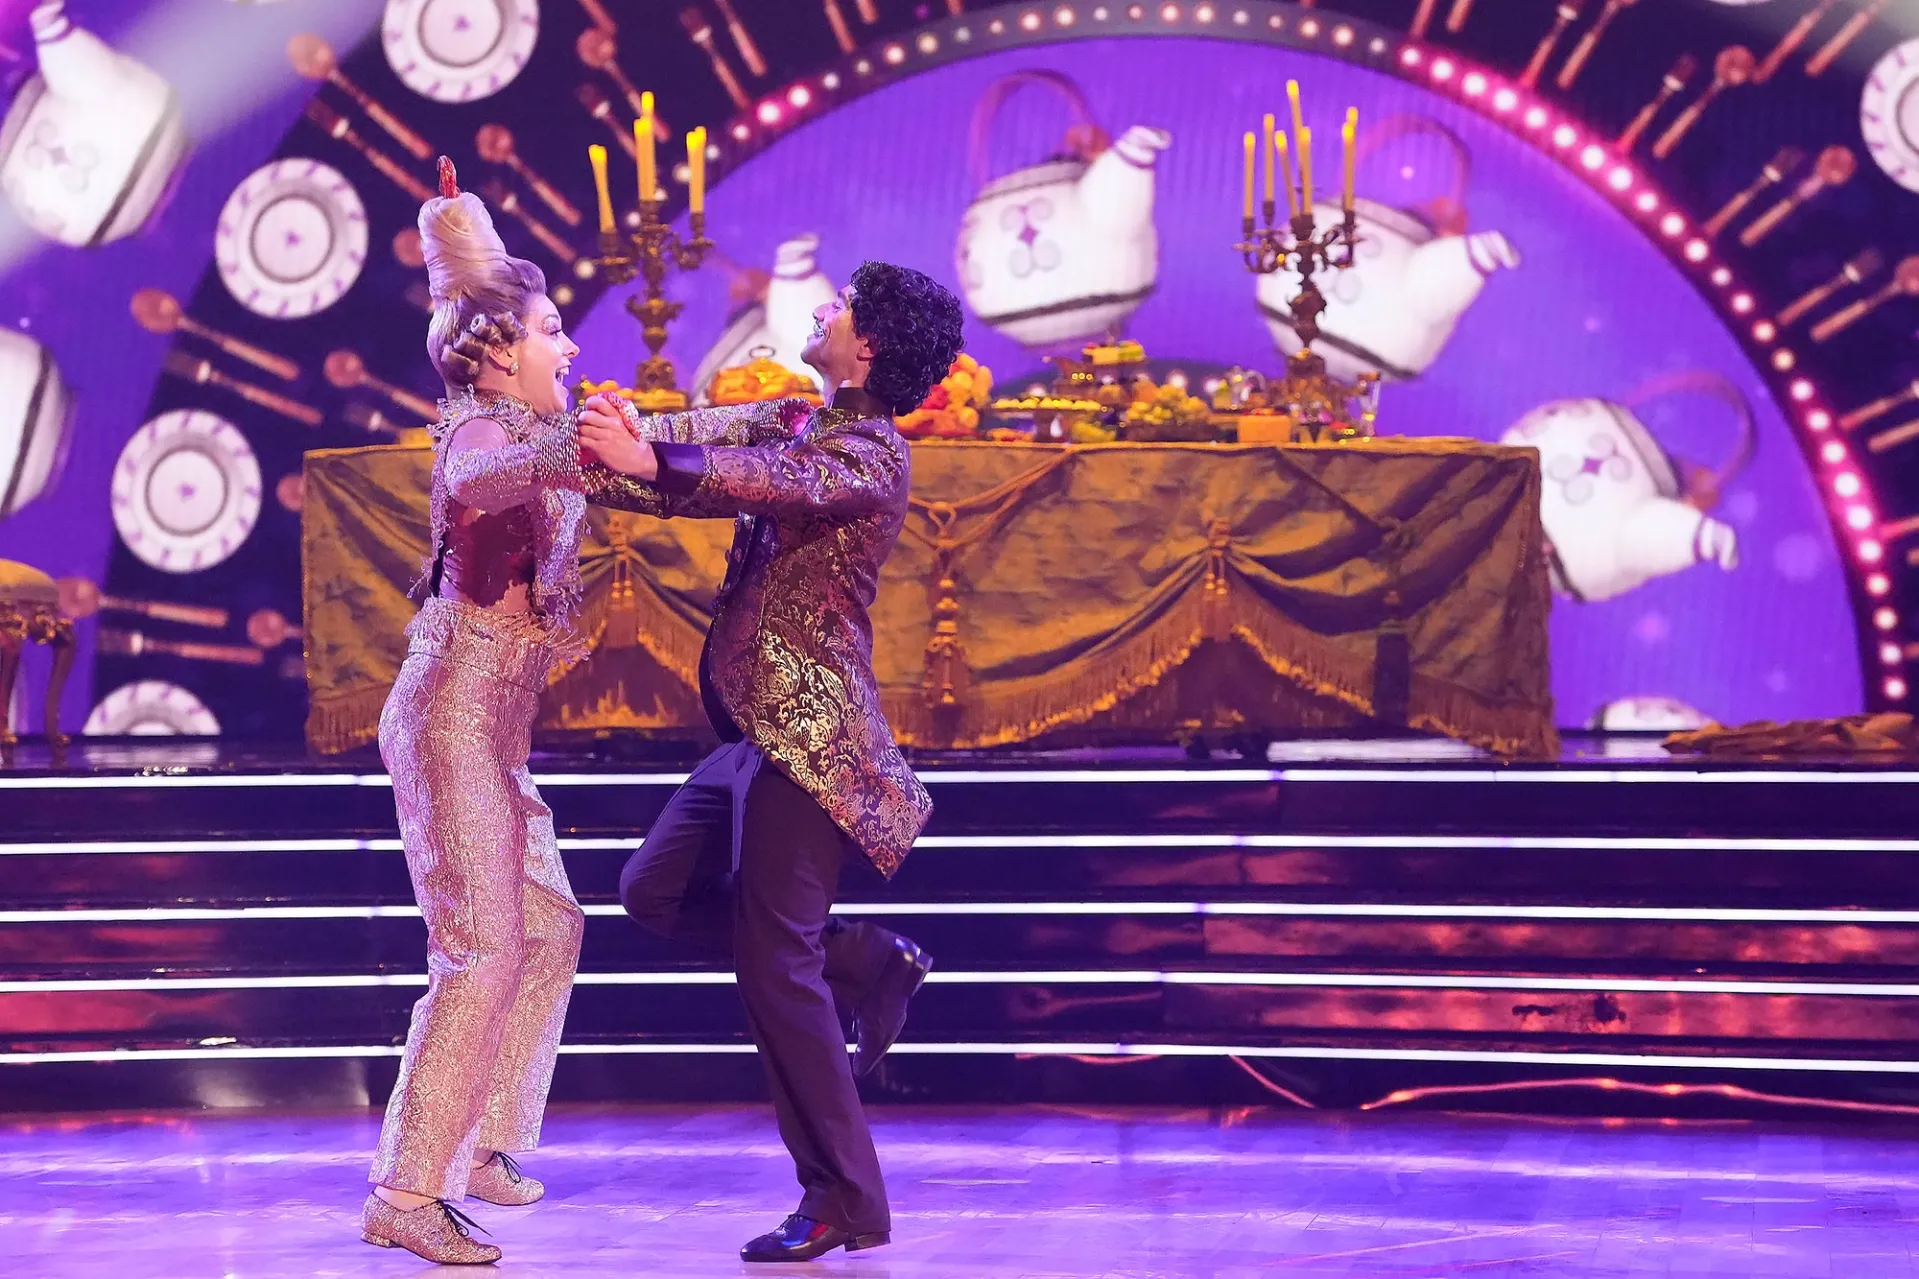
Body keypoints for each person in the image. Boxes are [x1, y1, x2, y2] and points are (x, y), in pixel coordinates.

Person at [577, 261, 965, 1262]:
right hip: (754, 734)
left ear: (866, 344)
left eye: (841, 306)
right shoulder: (794, 416)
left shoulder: (869, 455)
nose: (823, 308)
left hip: (813, 740)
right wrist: (603, 437)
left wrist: (646, 457)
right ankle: (864, 959)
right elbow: (690, 447)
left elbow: (756, 483)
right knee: (653, 889)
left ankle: (845, 1198)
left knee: (772, 965)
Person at [359, 158, 588, 1266]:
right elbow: (490, 477)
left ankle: (479, 1139)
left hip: (496, 725)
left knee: (548, 928)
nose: (569, 347)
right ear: (496, 351)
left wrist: (749, 426)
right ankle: (407, 1190)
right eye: (551, 330)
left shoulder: (529, 428)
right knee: (482, 948)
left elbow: (638, 459)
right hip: (450, 710)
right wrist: (585, 443)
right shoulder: (479, 436)